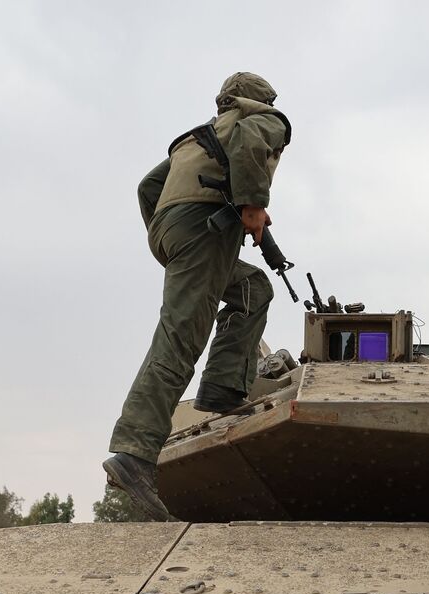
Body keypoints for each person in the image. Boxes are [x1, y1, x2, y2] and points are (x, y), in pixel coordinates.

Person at [104, 72, 293, 521]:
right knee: (180, 338)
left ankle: (223, 388)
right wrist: (251, 205)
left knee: (253, 288)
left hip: (173, 229)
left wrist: (169, 234)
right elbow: (253, 141)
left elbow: (149, 187)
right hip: (204, 230)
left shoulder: (198, 138)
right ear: (260, 101)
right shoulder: (263, 120)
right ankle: (134, 451)